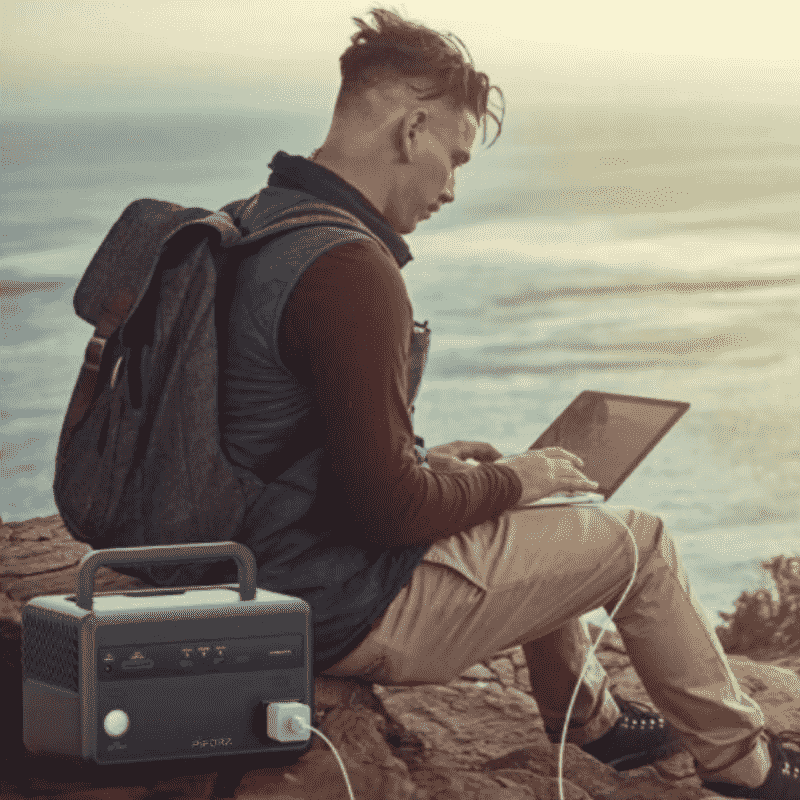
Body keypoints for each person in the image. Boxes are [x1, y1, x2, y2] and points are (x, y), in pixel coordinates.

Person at [217, 8, 799, 798]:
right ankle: (744, 766)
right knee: (639, 542)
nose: (451, 189)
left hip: (257, 565)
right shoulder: (351, 268)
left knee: (536, 498)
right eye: (453, 159)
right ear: (411, 129)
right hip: (333, 604)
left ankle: (585, 718)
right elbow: (386, 511)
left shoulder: (258, 222)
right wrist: (514, 481)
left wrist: (434, 464)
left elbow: (269, 432)